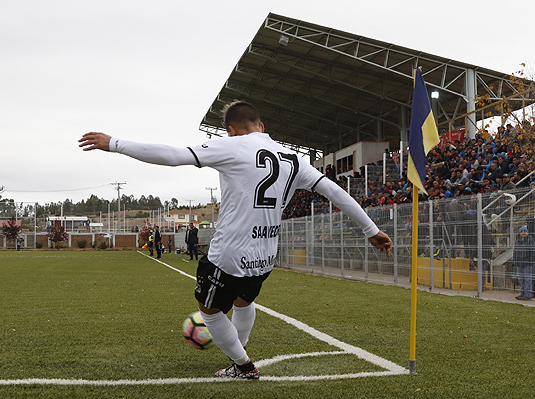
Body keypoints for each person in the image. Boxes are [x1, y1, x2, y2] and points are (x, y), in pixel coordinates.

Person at [79, 100, 392, 380]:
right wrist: (371, 231)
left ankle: (243, 366)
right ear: (262, 126)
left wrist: (115, 143)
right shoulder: (294, 159)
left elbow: (175, 156)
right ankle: (237, 355)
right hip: (267, 252)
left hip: (230, 251)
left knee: (209, 311)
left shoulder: (233, 146)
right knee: (244, 302)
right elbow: (335, 191)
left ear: (231, 130)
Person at [513, 226, 535, 301]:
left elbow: (533, 251)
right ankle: (522, 293)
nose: (523, 232)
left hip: (527, 263)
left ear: (527, 232)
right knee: (521, 279)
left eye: (525, 231)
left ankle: (528, 294)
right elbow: (515, 251)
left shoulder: (530, 240)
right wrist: (515, 261)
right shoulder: (518, 241)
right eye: (522, 231)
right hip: (519, 263)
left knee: (527, 279)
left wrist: (530, 260)